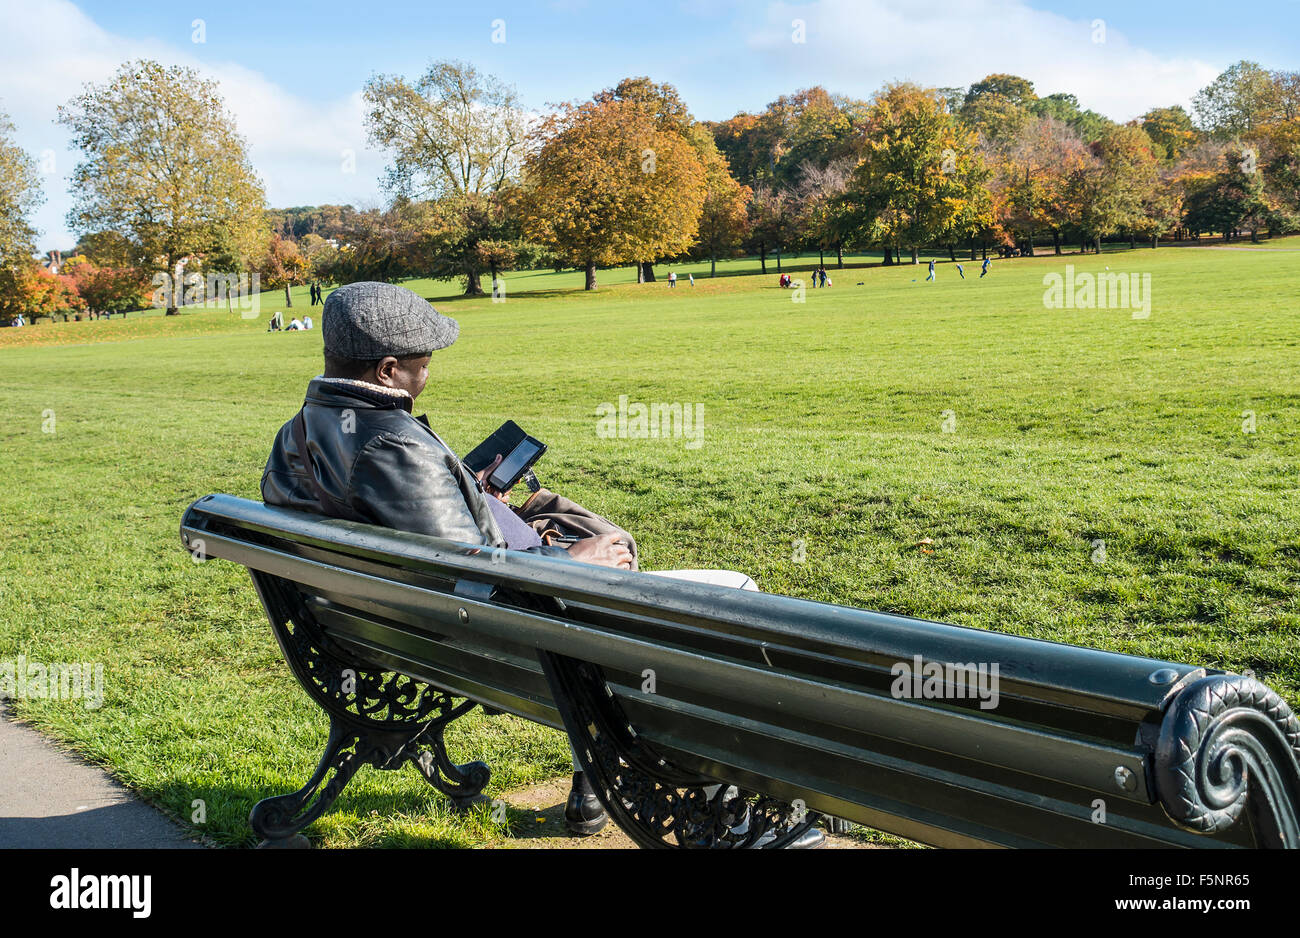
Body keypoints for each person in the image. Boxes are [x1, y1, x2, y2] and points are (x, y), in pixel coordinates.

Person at [259, 281, 820, 846]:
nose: (428, 373)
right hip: (504, 647)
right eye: (423, 363)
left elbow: (414, 537)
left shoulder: (298, 432)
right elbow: (473, 584)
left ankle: (600, 780)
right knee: (731, 593)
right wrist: (572, 558)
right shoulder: (393, 443)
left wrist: (474, 499)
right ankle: (729, 820)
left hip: (381, 634)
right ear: (386, 370)